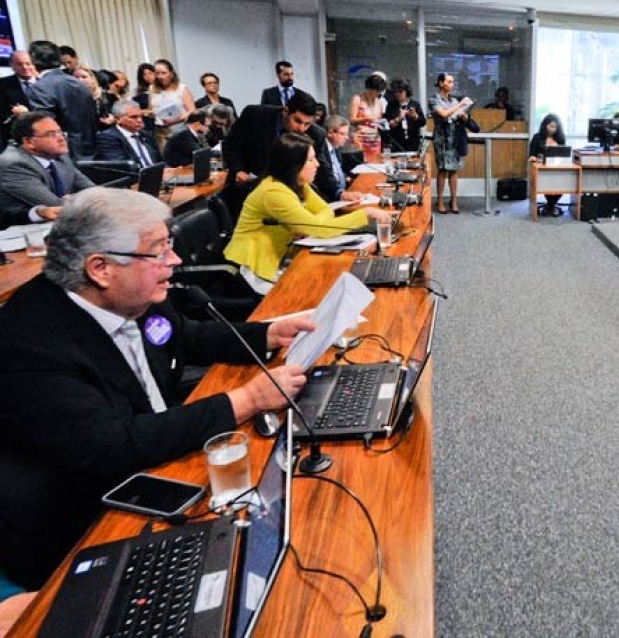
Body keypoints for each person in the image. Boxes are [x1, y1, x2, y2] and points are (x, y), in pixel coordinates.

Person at [0, 187, 313, 589]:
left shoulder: (135, 297)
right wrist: (247, 400)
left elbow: (187, 336)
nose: (175, 261)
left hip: (158, 463)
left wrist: (268, 333)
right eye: (159, 251)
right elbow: (110, 446)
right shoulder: (28, 345)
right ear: (101, 268)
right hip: (88, 524)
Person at [224, 133, 390, 293]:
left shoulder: (298, 183)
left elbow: (325, 210)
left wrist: (308, 225)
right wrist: (365, 214)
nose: (317, 164)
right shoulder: (273, 192)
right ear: (293, 165)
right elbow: (320, 228)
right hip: (254, 268)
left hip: (280, 258)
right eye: (310, 160)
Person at [220, 92, 340, 211]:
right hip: (247, 191)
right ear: (286, 111)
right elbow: (230, 144)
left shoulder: (316, 135)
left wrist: (338, 192)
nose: (302, 128)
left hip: (287, 196)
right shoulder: (254, 115)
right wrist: (237, 170)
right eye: (297, 121)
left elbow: (322, 169)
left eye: (307, 124)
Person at [0, 112, 94, 228]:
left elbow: (94, 191)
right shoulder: (14, 164)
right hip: (19, 235)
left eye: (60, 132)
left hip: (59, 227)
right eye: (51, 134)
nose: (61, 138)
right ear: (29, 142)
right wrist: (84, 199)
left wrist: (76, 198)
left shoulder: (59, 155)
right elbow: (57, 207)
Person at [25, 40, 97, 159]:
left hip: (62, 153)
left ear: (33, 60)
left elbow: (45, 127)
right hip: (90, 148)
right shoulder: (79, 84)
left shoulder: (39, 88)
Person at [429, 72, 478, 214]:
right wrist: (460, 105)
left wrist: (464, 114)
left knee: (454, 170)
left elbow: (458, 115)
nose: (452, 84)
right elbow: (443, 114)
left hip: (455, 136)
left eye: (453, 82)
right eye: (449, 81)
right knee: (443, 169)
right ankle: (439, 200)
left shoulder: (454, 100)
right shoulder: (434, 99)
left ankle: (454, 200)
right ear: (440, 83)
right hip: (442, 137)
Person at [148, 58, 197, 150]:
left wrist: (174, 120)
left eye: (163, 73)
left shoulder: (181, 89)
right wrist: (150, 113)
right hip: (160, 131)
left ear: (171, 74)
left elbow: (192, 111)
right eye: (157, 73)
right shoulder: (152, 89)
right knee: (167, 159)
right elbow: (151, 109)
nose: (160, 76)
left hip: (180, 129)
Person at [94, 101, 161, 167]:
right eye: (133, 117)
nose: (139, 120)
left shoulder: (147, 135)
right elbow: (121, 167)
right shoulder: (107, 138)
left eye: (141, 116)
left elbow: (160, 160)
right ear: (118, 119)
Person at [323, 114, 368, 203]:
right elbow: (326, 177)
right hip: (332, 199)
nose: (347, 138)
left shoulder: (335, 149)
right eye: (343, 134)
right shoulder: (322, 151)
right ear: (330, 132)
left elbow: (338, 170)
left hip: (344, 193)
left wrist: (348, 178)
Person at [529, 113, 567, 216]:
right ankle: (551, 206)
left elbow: (564, 155)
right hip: (541, 170)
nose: (553, 129)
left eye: (555, 127)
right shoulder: (537, 137)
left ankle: (550, 205)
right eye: (551, 126)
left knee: (564, 184)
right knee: (547, 181)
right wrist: (533, 158)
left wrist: (557, 147)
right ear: (545, 125)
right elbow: (532, 155)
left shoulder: (560, 138)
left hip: (556, 169)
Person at [0, 50, 37, 146]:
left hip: (46, 136)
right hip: (17, 140)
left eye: (28, 63)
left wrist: (27, 114)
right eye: (19, 64)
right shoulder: (2, 85)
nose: (25, 67)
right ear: (12, 66)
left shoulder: (46, 83)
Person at [349, 73, 387, 155]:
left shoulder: (379, 102)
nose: (378, 93)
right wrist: (366, 119)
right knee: (362, 163)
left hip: (374, 138)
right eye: (377, 91)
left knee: (375, 163)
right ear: (370, 89)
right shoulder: (358, 99)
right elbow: (352, 120)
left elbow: (378, 121)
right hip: (361, 137)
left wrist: (382, 123)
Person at [384, 78, 425, 153]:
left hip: (413, 142)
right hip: (396, 143)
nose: (397, 94)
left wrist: (415, 116)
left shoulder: (415, 104)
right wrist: (399, 118)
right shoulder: (391, 106)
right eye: (395, 91)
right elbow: (388, 125)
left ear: (406, 91)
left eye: (400, 91)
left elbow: (423, 122)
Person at [73, 66, 115, 132]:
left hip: (109, 133)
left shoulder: (109, 95)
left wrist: (114, 119)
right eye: (76, 78)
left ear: (92, 78)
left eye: (84, 77)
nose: (80, 80)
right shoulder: (71, 99)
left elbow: (123, 113)